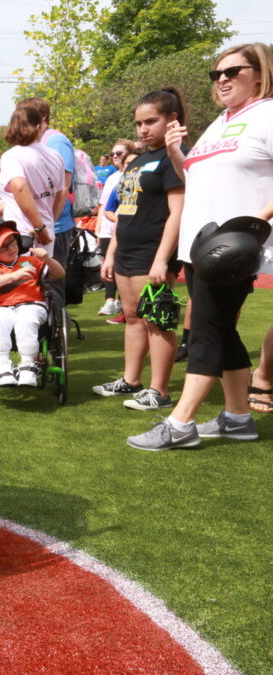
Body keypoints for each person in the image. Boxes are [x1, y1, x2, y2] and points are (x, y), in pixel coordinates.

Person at [127, 43, 273, 450]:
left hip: (233, 248)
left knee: (205, 330)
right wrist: (175, 151)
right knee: (221, 330)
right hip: (200, 245)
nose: (222, 79)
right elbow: (194, 181)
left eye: (233, 71)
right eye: (216, 74)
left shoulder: (268, 114)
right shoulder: (222, 122)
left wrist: (256, 222)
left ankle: (180, 423)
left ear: (259, 74)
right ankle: (237, 417)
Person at [96, 88, 187, 411]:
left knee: (157, 321)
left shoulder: (173, 157)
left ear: (172, 119)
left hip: (153, 252)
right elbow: (124, 211)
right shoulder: (140, 160)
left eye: (151, 121)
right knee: (133, 318)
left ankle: (159, 391)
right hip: (126, 251)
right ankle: (131, 380)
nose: (143, 130)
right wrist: (110, 253)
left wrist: (163, 259)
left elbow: (178, 212)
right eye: (138, 123)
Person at [0, 221, 66, 387]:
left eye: (13, 242)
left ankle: (28, 364)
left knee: (26, 318)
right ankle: (3, 365)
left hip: (32, 305)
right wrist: (13, 276)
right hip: (1, 307)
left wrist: (47, 259)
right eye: (4, 247)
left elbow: (59, 274)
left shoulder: (30, 261)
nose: (11, 248)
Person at [0, 101, 67, 258]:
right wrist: (47, 223)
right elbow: (61, 192)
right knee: (42, 278)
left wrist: (39, 227)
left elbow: (19, 187)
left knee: (23, 280)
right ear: (38, 126)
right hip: (46, 231)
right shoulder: (55, 156)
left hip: (22, 234)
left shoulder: (12, 156)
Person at [25, 98, 78, 300]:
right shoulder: (34, 143)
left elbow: (63, 187)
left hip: (54, 226)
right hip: (35, 226)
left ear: (42, 118)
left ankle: (55, 328)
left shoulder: (56, 141)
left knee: (51, 280)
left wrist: (49, 223)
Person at [94, 140, 138, 318]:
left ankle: (122, 302)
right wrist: (98, 228)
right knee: (108, 264)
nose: (115, 157)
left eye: (119, 153)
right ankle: (109, 300)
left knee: (124, 265)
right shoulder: (112, 178)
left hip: (127, 228)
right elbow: (104, 206)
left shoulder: (133, 178)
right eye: (113, 154)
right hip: (107, 228)